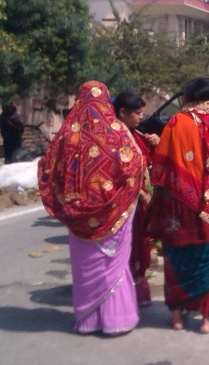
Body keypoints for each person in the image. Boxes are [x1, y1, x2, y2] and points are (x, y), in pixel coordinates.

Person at [38, 81, 145, 336]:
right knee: (113, 264)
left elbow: (48, 168)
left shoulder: (66, 135)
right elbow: (134, 166)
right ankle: (116, 319)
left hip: (77, 216)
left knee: (85, 264)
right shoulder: (117, 133)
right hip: (113, 212)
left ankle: (88, 320)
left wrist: (67, 200)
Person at [149, 77, 209, 334]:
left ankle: (177, 318)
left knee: (176, 261)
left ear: (186, 98)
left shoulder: (176, 122)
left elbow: (164, 164)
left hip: (177, 207)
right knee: (206, 262)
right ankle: (205, 320)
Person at [113, 92, 160, 307]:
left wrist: (155, 143)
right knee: (127, 245)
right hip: (124, 202)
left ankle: (137, 290)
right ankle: (124, 294)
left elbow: (148, 159)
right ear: (122, 112)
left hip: (139, 199)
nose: (141, 117)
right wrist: (141, 195)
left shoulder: (134, 134)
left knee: (140, 242)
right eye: (137, 113)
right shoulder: (115, 137)